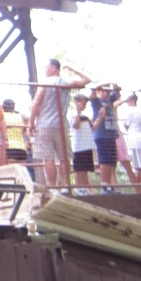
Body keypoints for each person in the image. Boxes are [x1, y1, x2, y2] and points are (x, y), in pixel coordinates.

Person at [28, 59, 91, 190]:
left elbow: (36, 104)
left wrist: (31, 123)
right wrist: (73, 69)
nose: (45, 69)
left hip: (44, 125)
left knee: (48, 158)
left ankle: (52, 186)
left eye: (46, 67)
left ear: (53, 68)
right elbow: (87, 80)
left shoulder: (44, 83)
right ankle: (66, 185)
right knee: (64, 157)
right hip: (61, 125)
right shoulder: (66, 82)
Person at [90, 83, 122, 193]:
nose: (105, 93)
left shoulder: (110, 101)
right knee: (104, 161)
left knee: (111, 161)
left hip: (111, 135)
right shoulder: (97, 102)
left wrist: (113, 86)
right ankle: (105, 185)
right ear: (99, 91)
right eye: (103, 91)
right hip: (101, 135)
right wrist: (102, 84)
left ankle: (109, 186)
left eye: (107, 92)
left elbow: (116, 91)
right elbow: (92, 93)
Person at [121, 92, 141, 193]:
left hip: (135, 140)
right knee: (139, 165)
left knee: (140, 167)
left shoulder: (131, 111)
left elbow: (126, 124)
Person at [68, 93, 97, 193]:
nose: (84, 106)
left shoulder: (86, 115)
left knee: (85, 169)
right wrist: (78, 112)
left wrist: (100, 118)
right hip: (79, 146)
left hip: (88, 145)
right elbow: (75, 126)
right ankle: (79, 188)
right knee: (79, 169)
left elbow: (92, 128)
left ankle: (84, 188)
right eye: (82, 103)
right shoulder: (72, 114)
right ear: (76, 102)